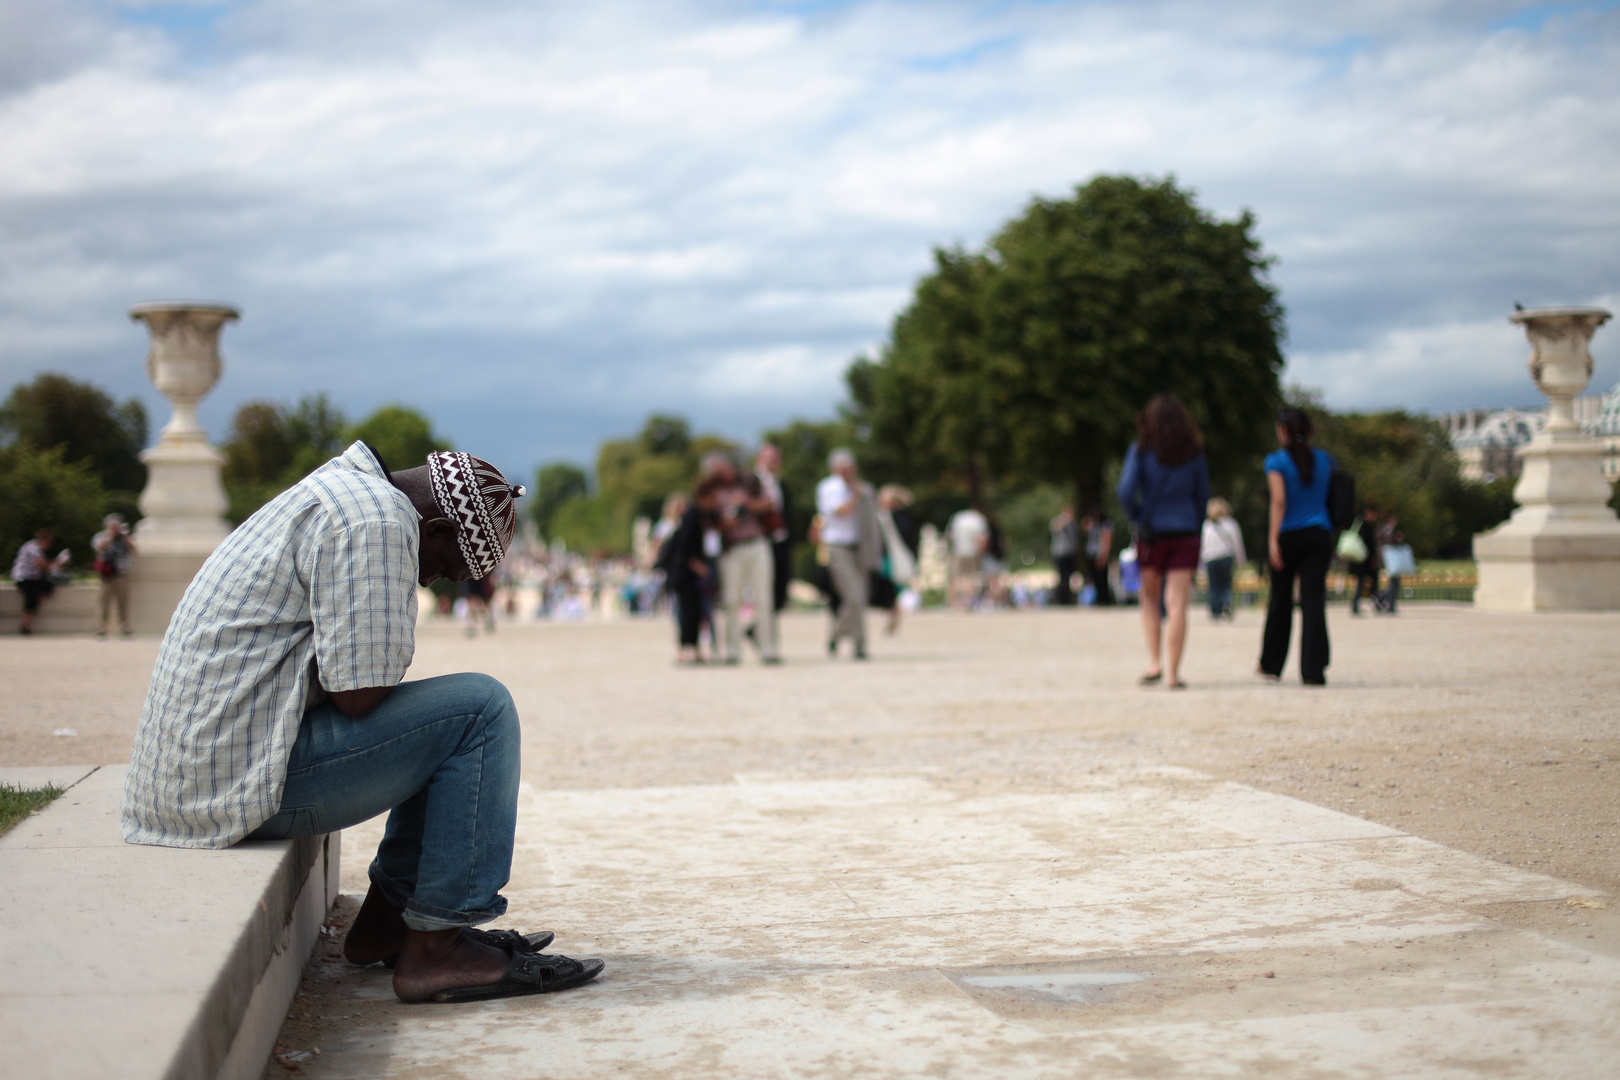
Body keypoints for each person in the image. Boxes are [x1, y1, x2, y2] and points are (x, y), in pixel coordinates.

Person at [120, 443, 603, 1004]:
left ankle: (389, 926)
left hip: (203, 771)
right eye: (445, 567)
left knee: (449, 716)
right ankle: (438, 952)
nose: (432, 583)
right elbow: (360, 696)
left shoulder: (348, 494)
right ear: (439, 527)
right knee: (480, 710)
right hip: (230, 785)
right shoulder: (377, 521)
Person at [1117, 394, 1210, 689]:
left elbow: (1124, 490)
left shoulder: (1141, 451)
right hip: (1185, 531)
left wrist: (1138, 516)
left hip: (1152, 532)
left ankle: (1154, 662)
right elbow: (1203, 496)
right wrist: (1194, 524)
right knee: (1178, 604)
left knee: (1150, 599)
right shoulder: (1194, 454)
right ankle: (1173, 674)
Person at [1258, 407, 1337, 686]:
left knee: (1280, 599)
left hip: (1289, 535)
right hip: (1319, 534)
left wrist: (1272, 539)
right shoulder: (1326, 460)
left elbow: (1279, 501)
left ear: (1283, 430)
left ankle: (1271, 663)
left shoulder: (1276, 461)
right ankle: (1313, 669)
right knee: (1314, 602)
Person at [705, 452, 780, 665]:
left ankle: (768, 648)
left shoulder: (750, 482)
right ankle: (731, 650)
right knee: (731, 600)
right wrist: (727, 522)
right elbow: (711, 523)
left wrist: (746, 503)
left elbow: (770, 504)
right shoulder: (712, 492)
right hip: (732, 548)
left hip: (757, 542)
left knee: (764, 597)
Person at [815, 449, 881, 659]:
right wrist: (855, 494)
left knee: (861, 598)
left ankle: (859, 645)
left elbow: (872, 522)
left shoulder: (865, 490)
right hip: (837, 547)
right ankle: (840, 634)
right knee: (853, 596)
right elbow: (842, 511)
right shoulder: (829, 488)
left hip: (859, 547)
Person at [667, 480, 719, 664]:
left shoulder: (700, 515)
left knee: (695, 612)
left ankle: (692, 647)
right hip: (685, 574)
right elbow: (684, 547)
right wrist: (699, 567)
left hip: (689, 573)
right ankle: (686, 647)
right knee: (687, 613)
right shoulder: (693, 515)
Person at [754, 444, 794, 615]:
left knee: (781, 583)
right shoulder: (753, 481)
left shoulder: (780, 483)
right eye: (769, 459)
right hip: (762, 539)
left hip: (780, 539)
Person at [876, 485, 917, 635]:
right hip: (885, 558)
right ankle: (893, 615)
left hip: (892, 559)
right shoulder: (883, 517)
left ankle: (893, 615)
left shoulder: (893, 519)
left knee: (893, 590)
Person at [12, 528, 68, 636]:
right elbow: (41, 565)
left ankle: (34, 607)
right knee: (31, 596)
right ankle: (26, 624)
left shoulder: (38, 549)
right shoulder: (33, 548)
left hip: (34, 577)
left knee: (48, 587)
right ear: (44, 541)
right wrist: (56, 563)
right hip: (23, 577)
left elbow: (43, 564)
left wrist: (54, 563)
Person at [92, 513, 138, 636]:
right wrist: (110, 537)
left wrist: (126, 537)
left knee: (123, 600)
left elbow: (134, 550)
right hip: (107, 574)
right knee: (104, 600)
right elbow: (99, 548)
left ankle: (124, 625)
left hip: (122, 573)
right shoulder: (101, 537)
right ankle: (102, 625)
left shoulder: (124, 539)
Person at [1199, 498, 1245, 621]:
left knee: (1214, 585)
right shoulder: (1231, 524)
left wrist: (1200, 564)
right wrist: (1241, 560)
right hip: (1226, 557)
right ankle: (1227, 604)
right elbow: (1237, 543)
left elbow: (1203, 546)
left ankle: (1215, 610)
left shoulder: (1206, 526)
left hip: (1211, 559)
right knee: (1226, 584)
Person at [945, 505, 989, 610]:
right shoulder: (979, 519)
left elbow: (949, 535)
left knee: (954, 578)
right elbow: (983, 539)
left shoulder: (958, 517)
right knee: (971, 578)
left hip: (958, 551)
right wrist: (982, 553)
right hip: (973, 552)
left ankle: (952, 603)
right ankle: (968, 601)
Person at [1347, 504, 1381, 617]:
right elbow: (1368, 543)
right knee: (1369, 581)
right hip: (1363, 560)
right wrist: (1372, 557)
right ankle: (1375, 602)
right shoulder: (1365, 525)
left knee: (1361, 582)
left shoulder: (1358, 523)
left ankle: (1357, 605)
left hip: (1359, 560)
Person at [1080, 509, 1114, 606]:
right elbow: (1084, 528)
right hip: (1091, 554)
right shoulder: (1094, 525)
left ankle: (1104, 599)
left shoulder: (1106, 525)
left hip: (1100, 554)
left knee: (1102, 579)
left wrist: (1103, 555)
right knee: (1094, 578)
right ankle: (1097, 598)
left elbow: (1107, 541)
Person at [1375, 510, 1407, 614]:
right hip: (1391, 559)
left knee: (1393, 582)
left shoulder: (1380, 529)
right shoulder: (1390, 529)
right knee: (1395, 583)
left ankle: (1384, 600)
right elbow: (1391, 543)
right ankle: (1386, 602)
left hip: (1383, 558)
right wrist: (1398, 539)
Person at [1050, 505, 1079, 605]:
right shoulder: (1058, 521)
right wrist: (1065, 521)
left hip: (1070, 553)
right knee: (1062, 576)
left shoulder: (1073, 523)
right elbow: (1055, 528)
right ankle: (1061, 598)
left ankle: (1069, 597)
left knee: (1070, 576)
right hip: (1060, 553)